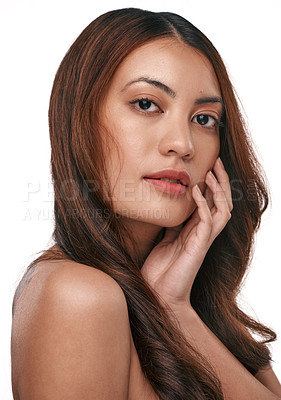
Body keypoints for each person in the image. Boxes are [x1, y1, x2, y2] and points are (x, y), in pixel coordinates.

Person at [11, 7, 281, 400]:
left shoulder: (200, 306)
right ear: (79, 119)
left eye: (204, 119)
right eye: (146, 104)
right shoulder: (77, 294)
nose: (183, 144)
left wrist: (174, 309)